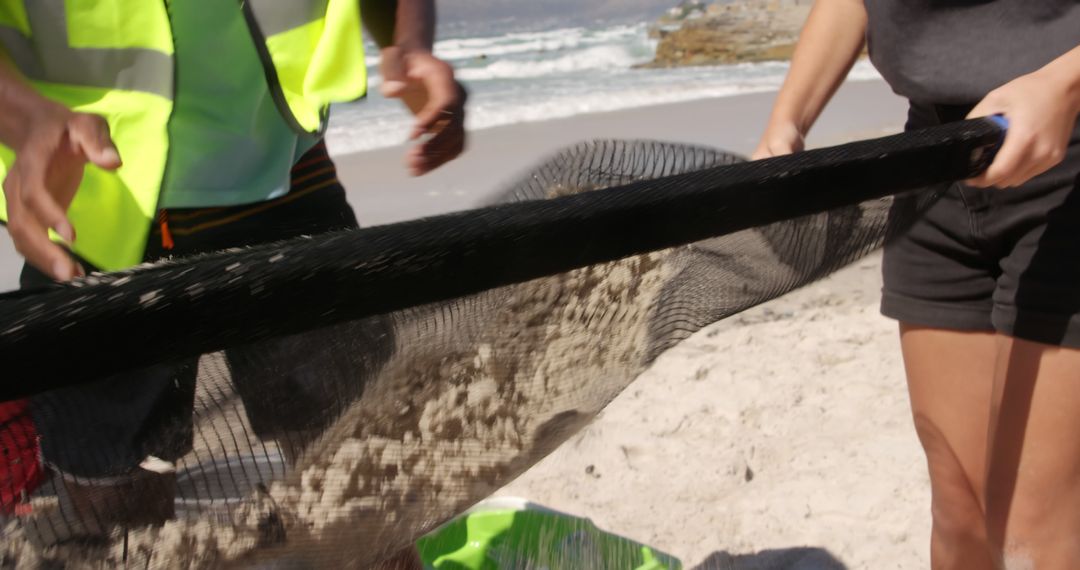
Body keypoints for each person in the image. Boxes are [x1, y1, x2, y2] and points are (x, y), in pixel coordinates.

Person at [0, 0, 464, 565]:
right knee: (116, 523)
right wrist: (23, 114)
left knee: (363, 484)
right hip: (93, 203)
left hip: (282, 171)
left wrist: (408, 41)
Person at [752, 1, 1080, 568]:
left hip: (1065, 150)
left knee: (1031, 534)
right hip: (932, 158)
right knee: (960, 515)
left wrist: (1067, 81)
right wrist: (787, 122)